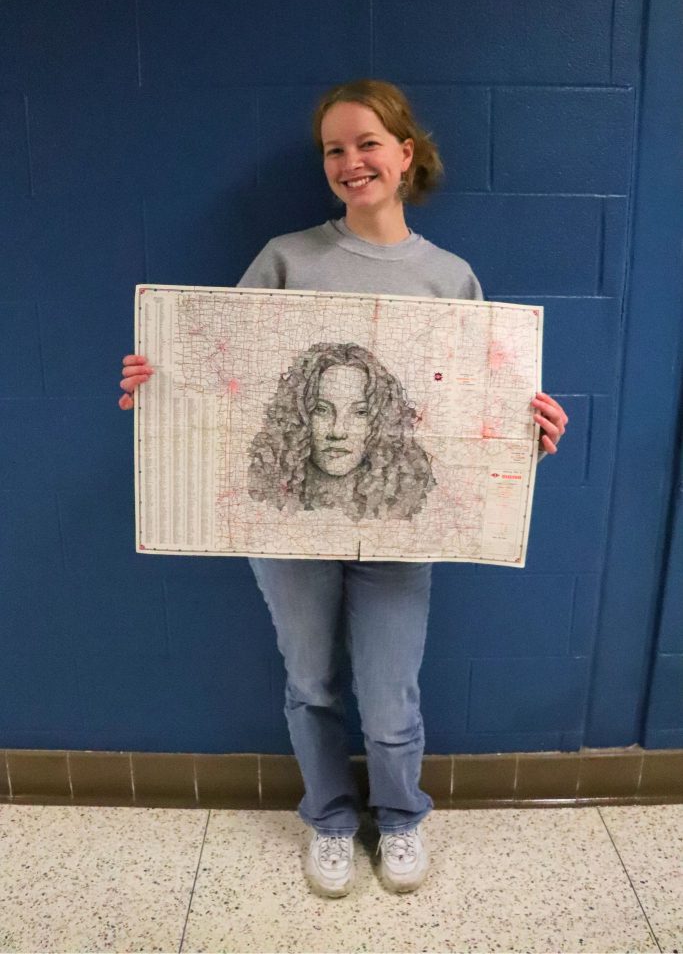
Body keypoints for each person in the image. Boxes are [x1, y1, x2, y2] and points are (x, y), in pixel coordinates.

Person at [119, 79, 568, 898]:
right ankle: (328, 819)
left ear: (406, 154)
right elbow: (228, 381)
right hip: (286, 529)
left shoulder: (450, 278)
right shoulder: (286, 258)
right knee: (311, 682)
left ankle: (400, 818)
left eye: (367, 143)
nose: (350, 161)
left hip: (400, 528)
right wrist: (158, 381)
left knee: (390, 693)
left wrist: (526, 434)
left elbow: (466, 424)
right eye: (334, 148)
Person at [247, 340, 436, 523]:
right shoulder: (268, 500)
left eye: (360, 412)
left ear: (382, 422)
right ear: (297, 416)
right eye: (321, 410)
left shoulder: (406, 502)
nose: (337, 432)